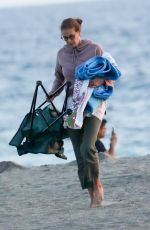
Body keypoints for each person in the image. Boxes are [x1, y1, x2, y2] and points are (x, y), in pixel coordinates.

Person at [48, 18, 116, 208]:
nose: (69, 41)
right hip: (72, 105)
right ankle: (92, 194)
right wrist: (52, 94)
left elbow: (111, 73)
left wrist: (101, 81)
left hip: (94, 103)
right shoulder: (61, 54)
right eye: (65, 38)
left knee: (88, 147)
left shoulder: (94, 48)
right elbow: (59, 78)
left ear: (79, 32)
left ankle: (98, 186)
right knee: (79, 153)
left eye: (72, 36)